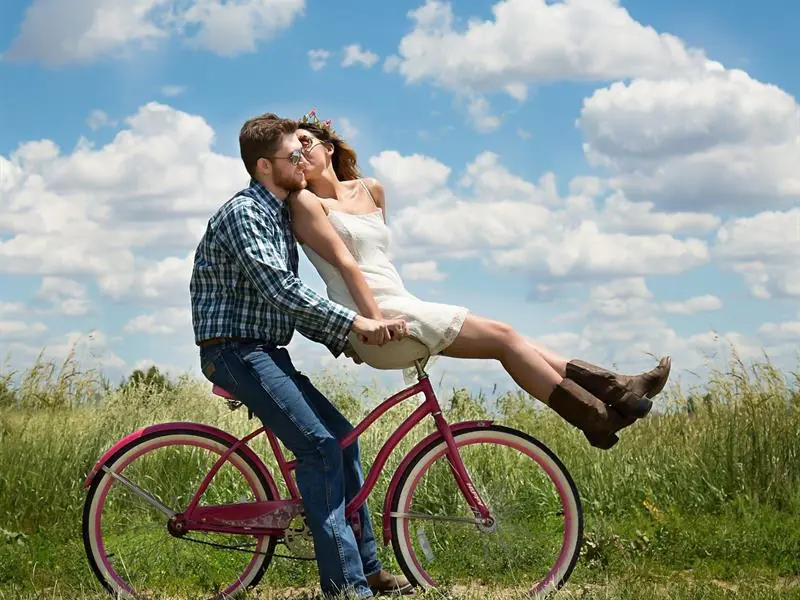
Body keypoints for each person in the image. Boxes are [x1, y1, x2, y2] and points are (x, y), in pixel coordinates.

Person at [288, 110, 672, 450]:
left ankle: (614, 394)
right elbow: (347, 266)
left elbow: (379, 262)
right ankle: (600, 410)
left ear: (329, 147)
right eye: (291, 151)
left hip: (399, 302)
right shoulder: (306, 203)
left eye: (305, 143)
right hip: (375, 318)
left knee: (511, 339)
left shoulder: (371, 190)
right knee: (505, 338)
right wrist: (366, 324)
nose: (300, 154)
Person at [189, 112, 415, 599]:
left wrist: (342, 341)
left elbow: (286, 307)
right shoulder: (246, 213)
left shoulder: (277, 212)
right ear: (265, 166)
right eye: (294, 154)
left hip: (265, 349)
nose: (303, 161)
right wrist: (356, 323)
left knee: (343, 439)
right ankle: (346, 587)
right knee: (318, 449)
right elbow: (282, 290)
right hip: (234, 351)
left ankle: (370, 568)